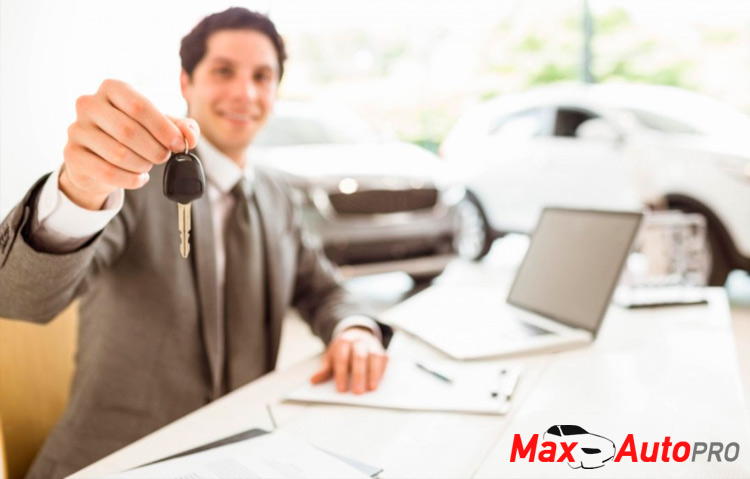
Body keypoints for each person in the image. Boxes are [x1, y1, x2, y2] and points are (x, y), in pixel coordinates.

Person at [0, 8, 392, 478]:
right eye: (224, 71)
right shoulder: (131, 181)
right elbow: (20, 297)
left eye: (262, 76)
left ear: (275, 91)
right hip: (113, 461)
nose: (245, 92)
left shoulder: (277, 196)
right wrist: (79, 192)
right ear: (186, 82)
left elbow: (324, 290)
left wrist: (354, 329)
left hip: (242, 455)